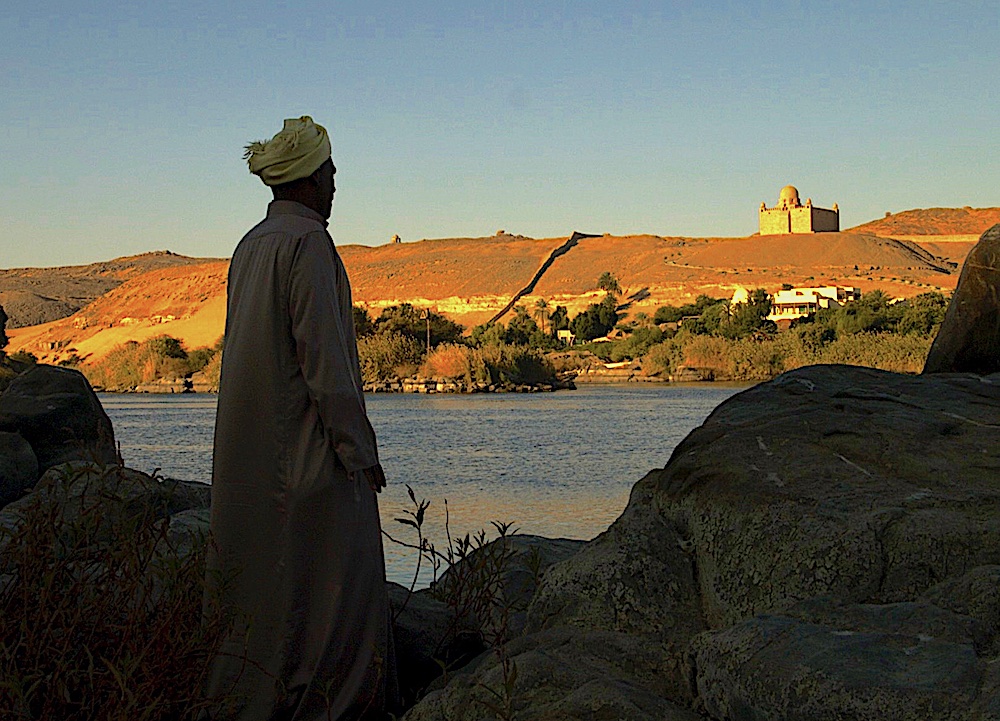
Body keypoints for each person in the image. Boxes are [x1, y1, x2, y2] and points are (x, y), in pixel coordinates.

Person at [205, 116, 396, 720]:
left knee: (262, 589)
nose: (337, 182)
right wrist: (359, 452)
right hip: (310, 457)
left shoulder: (250, 245)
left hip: (254, 456)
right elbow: (326, 365)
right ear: (310, 180)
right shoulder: (309, 245)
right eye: (331, 171)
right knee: (335, 590)